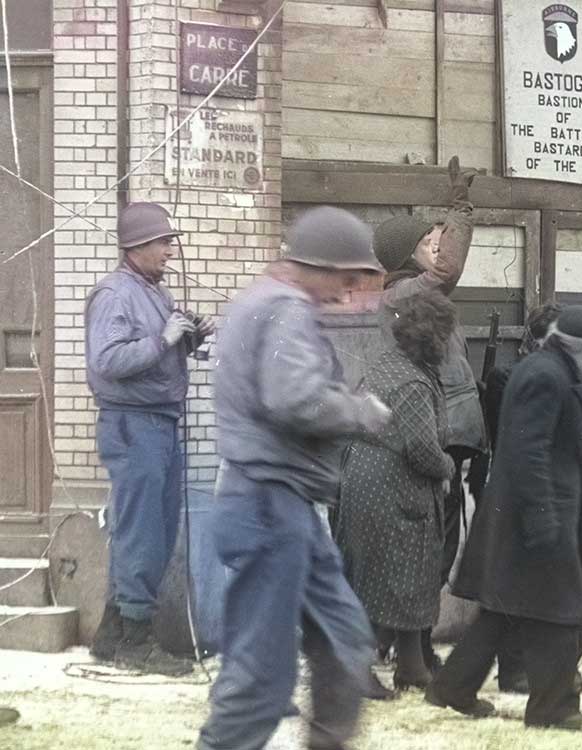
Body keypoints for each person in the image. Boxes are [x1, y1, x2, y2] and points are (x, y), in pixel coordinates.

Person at [197, 207, 392, 750]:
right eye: (346, 275)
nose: (351, 288)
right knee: (262, 673)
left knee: (345, 641)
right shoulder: (283, 308)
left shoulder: (259, 302)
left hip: (286, 505)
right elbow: (294, 398)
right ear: (314, 265)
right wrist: (362, 412)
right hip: (267, 504)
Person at [425, 305, 582, 731]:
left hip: (526, 511)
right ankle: (553, 708)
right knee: (563, 612)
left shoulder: (547, 369)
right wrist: (545, 516)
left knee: (505, 609)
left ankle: (452, 688)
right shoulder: (547, 376)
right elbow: (529, 453)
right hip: (538, 513)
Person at [85, 202, 213, 676]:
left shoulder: (152, 292)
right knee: (143, 532)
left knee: (151, 529)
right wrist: (162, 339)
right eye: (163, 242)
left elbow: (159, 353)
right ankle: (137, 643)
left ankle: (111, 635)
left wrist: (190, 338)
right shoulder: (114, 295)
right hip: (132, 425)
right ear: (137, 246)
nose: (170, 251)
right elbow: (107, 361)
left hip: (157, 423)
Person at [373, 155, 487, 670]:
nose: (436, 248)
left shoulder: (415, 293)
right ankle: (410, 649)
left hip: (448, 435)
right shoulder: (405, 292)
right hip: (433, 437)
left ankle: (410, 646)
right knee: (430, 548)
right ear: (406, 256)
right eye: (426, 243)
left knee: (438, 544)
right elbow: (450, 267)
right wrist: (459, 209)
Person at [335, 292, 458, 692]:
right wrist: (448, 466)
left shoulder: (388, 364)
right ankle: (360, 669)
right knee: (403, 573)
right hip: (394, 486)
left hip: (365, 481)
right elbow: (421, 448)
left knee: (387, 576)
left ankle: (410, 666)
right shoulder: (413, 382)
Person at [474, 302, 563, 694]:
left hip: (556, 489)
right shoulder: (506, 378)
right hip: (515, 489)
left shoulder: (565, 376)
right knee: (514, 583)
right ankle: (513, 669)